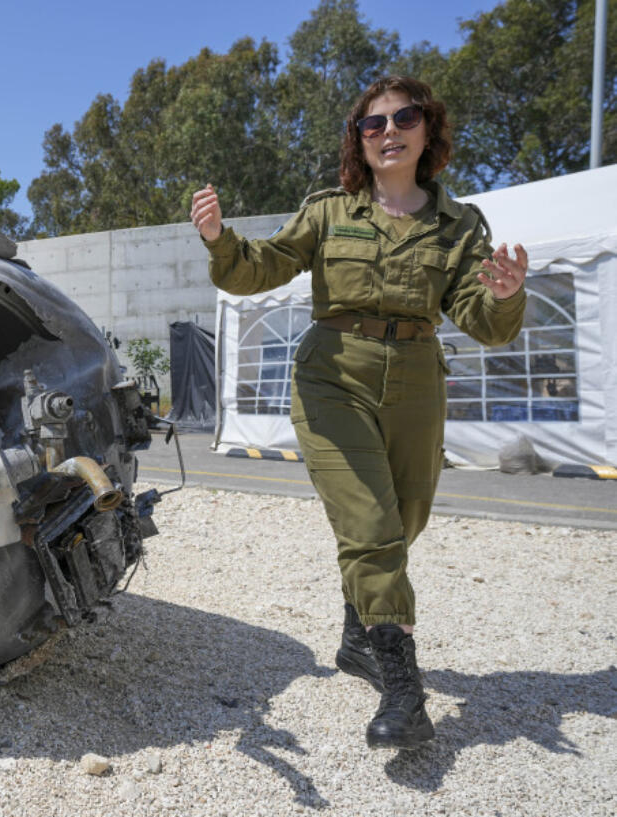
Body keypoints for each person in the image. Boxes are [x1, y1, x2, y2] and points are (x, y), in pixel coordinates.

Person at [190, 76, 527, 749]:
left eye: (404, 117)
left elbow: (482, 321)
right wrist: (222, 239)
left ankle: (357, 639)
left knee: (403, 520)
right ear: (360, 140)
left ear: (427, 129)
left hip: (417, 381)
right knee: (370, 524)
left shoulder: (460, 226)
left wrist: (506, 296)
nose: (389, 131)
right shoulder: (330, 210)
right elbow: (261, 267)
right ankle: (405, 689)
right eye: (374, 124)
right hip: (332, 377)